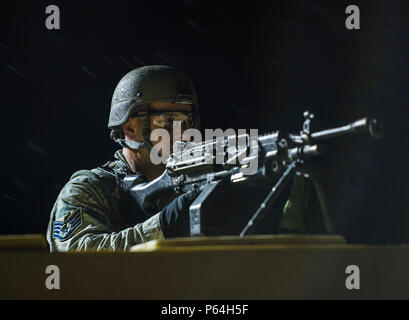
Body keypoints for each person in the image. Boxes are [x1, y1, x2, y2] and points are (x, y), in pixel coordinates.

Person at [46, 65, 203, 251]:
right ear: (130, 129)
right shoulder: (87, 190)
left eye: (188, 122)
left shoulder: (195, 184)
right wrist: (163, 226)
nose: (183, 133)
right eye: (169, 121)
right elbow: (76, 259)